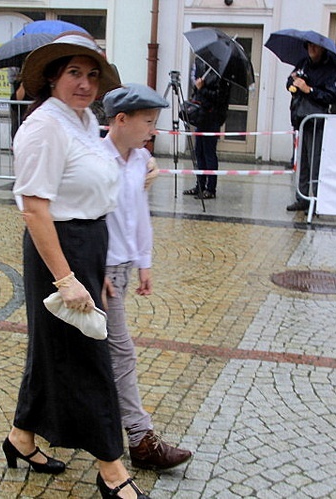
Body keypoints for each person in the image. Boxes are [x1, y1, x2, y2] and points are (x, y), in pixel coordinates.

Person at [5, 32, 151, 499]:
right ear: (51, 77)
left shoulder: (85, 121)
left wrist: (134, 170)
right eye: (73, 73)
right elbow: (33, 208)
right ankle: (111, 469)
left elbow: (94, 182)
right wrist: (65, 279)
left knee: (52, 351)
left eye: (91, 75)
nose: (85, 83)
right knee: (89, 356)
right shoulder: (45, 126)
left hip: (90, 244)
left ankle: (21, 438)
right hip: (58, 249)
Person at [101, 83, 193, 471]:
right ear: (121, 120)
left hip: (121, 269)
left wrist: (144, 262)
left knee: (82, 356)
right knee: (121, 353)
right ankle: (140, 439)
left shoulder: (140, 159)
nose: (153, 130)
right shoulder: (95, 159)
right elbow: (84, 220)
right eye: (148, 122)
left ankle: (28, 433)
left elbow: (137, 214)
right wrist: (91, 270)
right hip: (99, 272)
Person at [285, 41, 336, 212]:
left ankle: (316, 199)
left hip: (316, 122)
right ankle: (301, 198)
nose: (311, 50)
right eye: (308, 46)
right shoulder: (303, 63)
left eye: (315, 47)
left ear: (322, 49)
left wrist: (309, 90)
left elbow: (331, 96)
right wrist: (293, 84)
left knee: (315, 162)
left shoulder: (330, 69)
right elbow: (289, 83)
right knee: (301, 161)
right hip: (299, 118)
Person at [182, 58, 231, 200]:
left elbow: (220, 97)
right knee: (199, 152)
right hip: (201, 116)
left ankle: (211, 188)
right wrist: (197, 89)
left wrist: (202, 88)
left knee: (209, 152)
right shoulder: (205, 68)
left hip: (213, 117)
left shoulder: (222, 74)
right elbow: (198, 92)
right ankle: (200, 185)